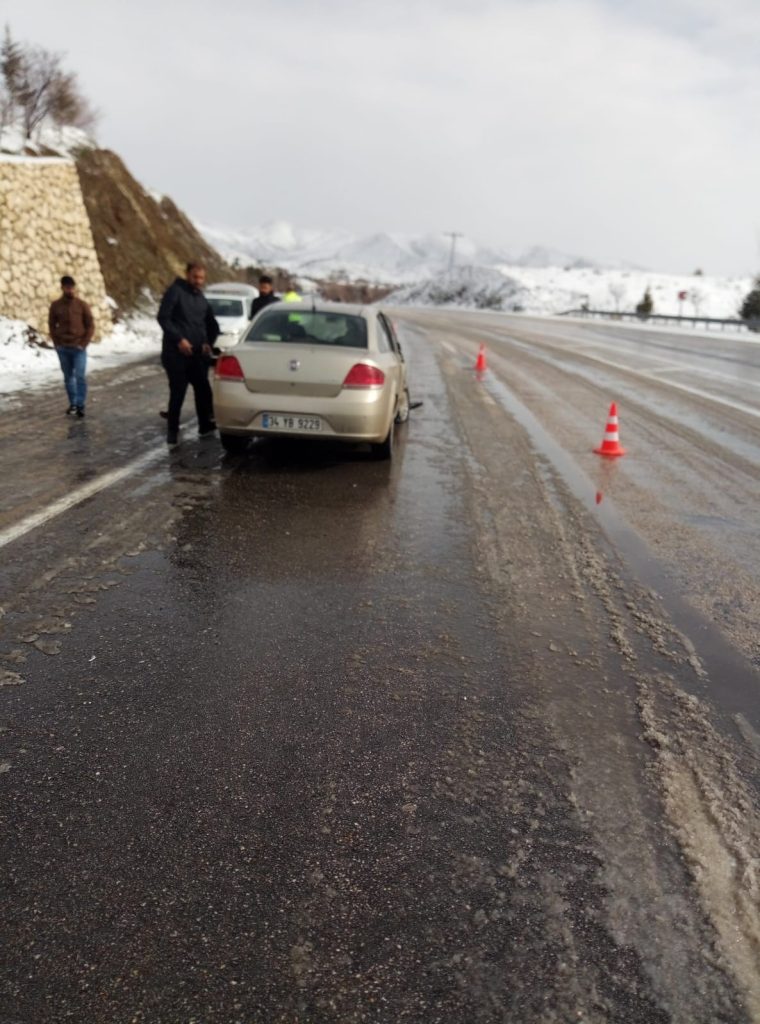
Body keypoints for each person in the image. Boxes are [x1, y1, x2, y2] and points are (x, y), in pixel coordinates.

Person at [157, 262, 220, 447]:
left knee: (203, 391)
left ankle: (206, 426)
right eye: (195, 277)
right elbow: (163, 318)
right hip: (176, 354)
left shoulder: (201, 297)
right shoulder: (175, 291)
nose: (198, 281)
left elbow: (212, 323)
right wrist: (179, 339)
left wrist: (209, 342)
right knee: (178, 393)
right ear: (187, 275)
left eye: (201, 278)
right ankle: (172, 432)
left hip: (198, 354)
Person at [48, 275, 94, 418]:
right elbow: (51, 325)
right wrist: (57, 343)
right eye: (67, 287)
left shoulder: (81, 305)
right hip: (63, 348)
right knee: (68, 377)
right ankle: (73, 403)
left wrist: (83, 343)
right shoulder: (55, 306)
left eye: (72, 287)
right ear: (62, 288)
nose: (70, 290)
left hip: (78, 347)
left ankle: (80, 404)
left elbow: (90, 325)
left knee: (80, 376)